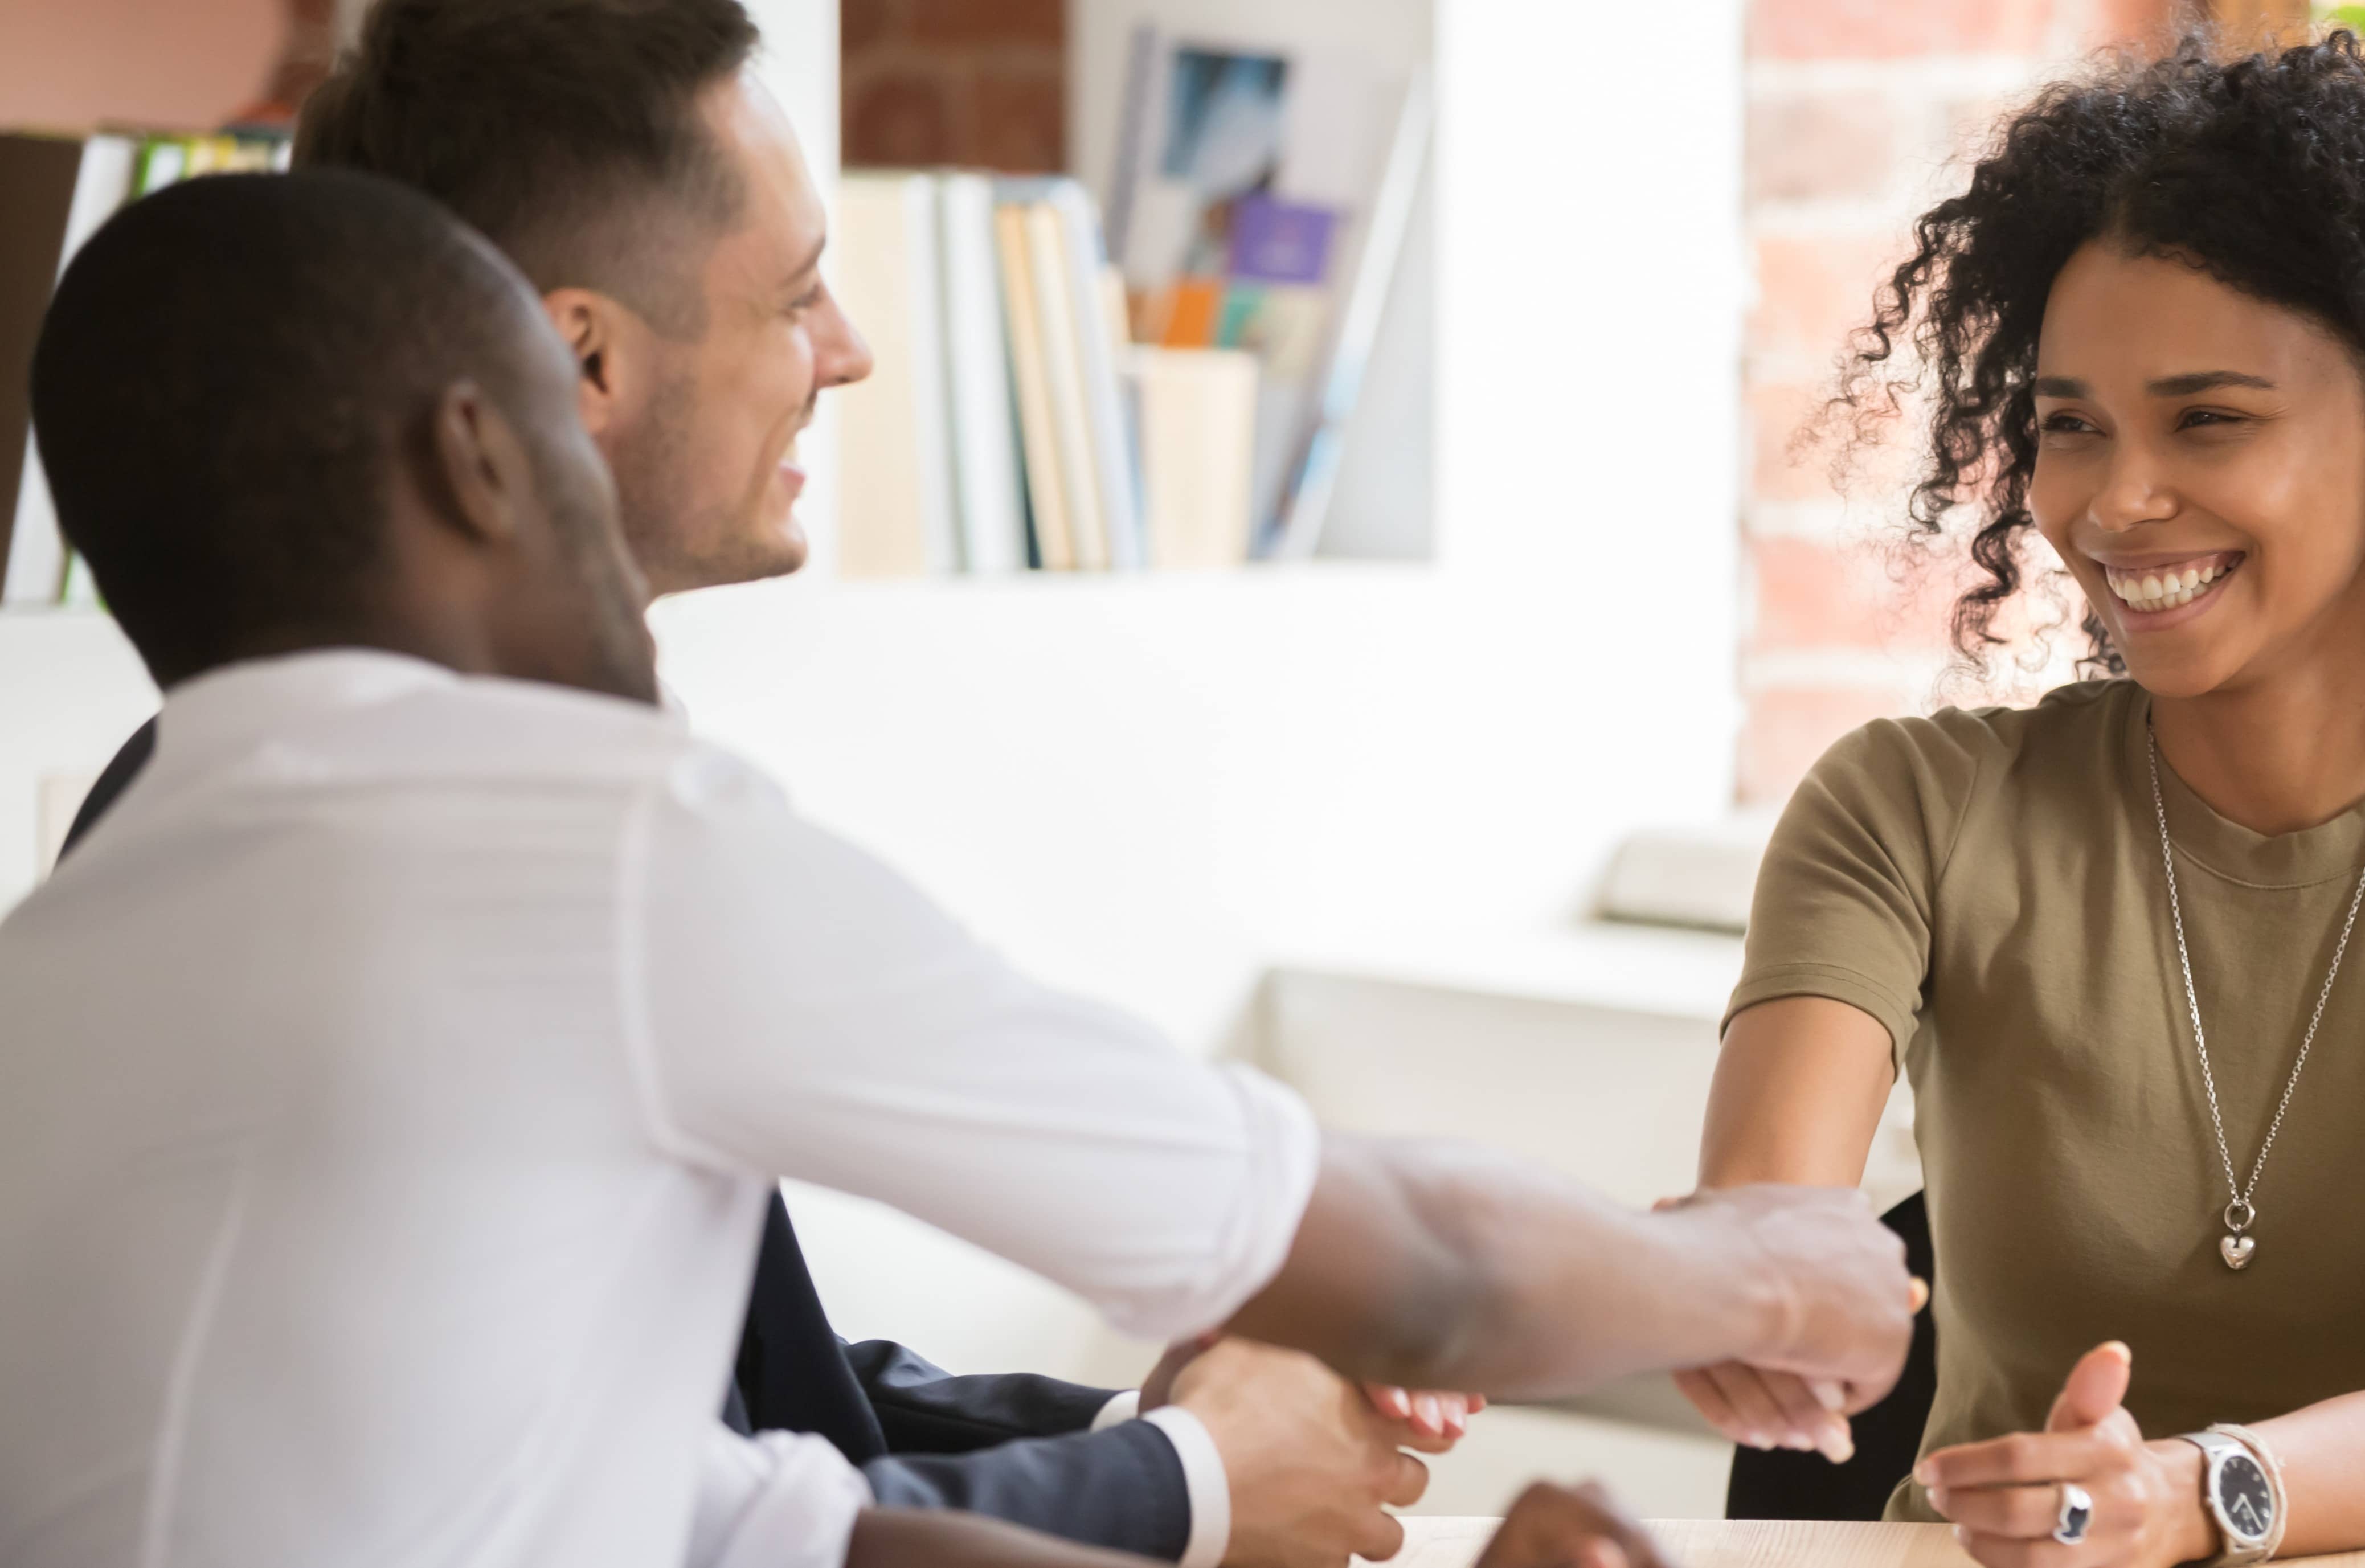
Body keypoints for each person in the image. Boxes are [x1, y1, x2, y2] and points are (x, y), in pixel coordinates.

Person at [1, 169, 1914, 1566]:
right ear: (484, 461)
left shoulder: (58, 960)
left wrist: (1191, 1474)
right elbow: (1426, 1270)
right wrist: (1757, 1270)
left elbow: (778, 1530)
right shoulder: (590, 843)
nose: (840, 355)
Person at [43, 2, 1493, 1563]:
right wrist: (1191, 1476)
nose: (851, 353)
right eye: (798, 294)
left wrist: (1141, 1427)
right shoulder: (492, 858)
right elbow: (684, 1527)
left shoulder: (307, 800)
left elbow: (737, 1407)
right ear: (574, 361)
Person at [1683, 31, 2365, 1568]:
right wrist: (1733, 1284)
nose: (2114, 503)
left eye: (2207, 420)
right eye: (2070, 425)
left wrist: (2192, 1494)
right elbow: (1774, 1219)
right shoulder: (1904, 810)